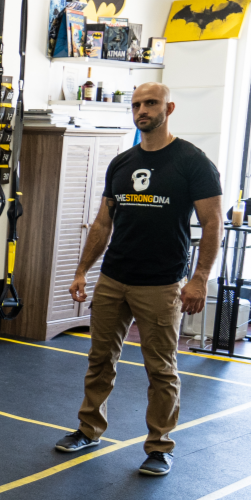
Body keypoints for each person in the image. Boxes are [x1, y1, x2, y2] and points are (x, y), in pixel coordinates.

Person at [55, 82, 221, 476]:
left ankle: (160, 446)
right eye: (136, 105)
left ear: (169, 108)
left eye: (150, 103)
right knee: (99, 360)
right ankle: (89, 429)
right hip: (114, 278)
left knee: (161, 369)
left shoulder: (192, 162)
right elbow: (103, 223)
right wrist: (82, 270)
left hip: (162, 283)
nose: (142, 110)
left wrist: (199, 278)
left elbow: (212, 223)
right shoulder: (122, 163)